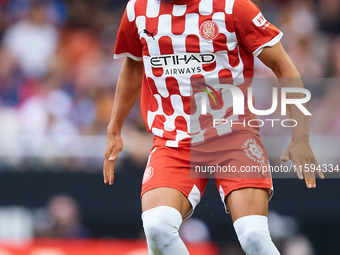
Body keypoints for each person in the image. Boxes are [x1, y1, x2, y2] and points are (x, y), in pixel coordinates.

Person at [103, 0, 324, 254]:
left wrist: (301, 136)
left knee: (254, 237)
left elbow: (284, 66)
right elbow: (133, 65)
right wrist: (114, 129)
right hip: (173, 139)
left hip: (233, 135)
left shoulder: (234, 6)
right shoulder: (138, 9)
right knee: (157, 228)